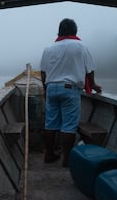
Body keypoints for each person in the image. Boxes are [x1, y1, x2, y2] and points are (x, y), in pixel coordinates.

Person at [40, 18, 102, 167]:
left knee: (50, 124)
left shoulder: (49, 48)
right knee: (68, 126)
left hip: (51, 88)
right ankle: (66, 159)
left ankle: (49, 155)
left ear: (59, 32)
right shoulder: (81, 46)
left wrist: (45, 88)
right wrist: (93, 84)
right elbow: (89, 69)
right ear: (75, 31)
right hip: (69, 89)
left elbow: (43, 72)